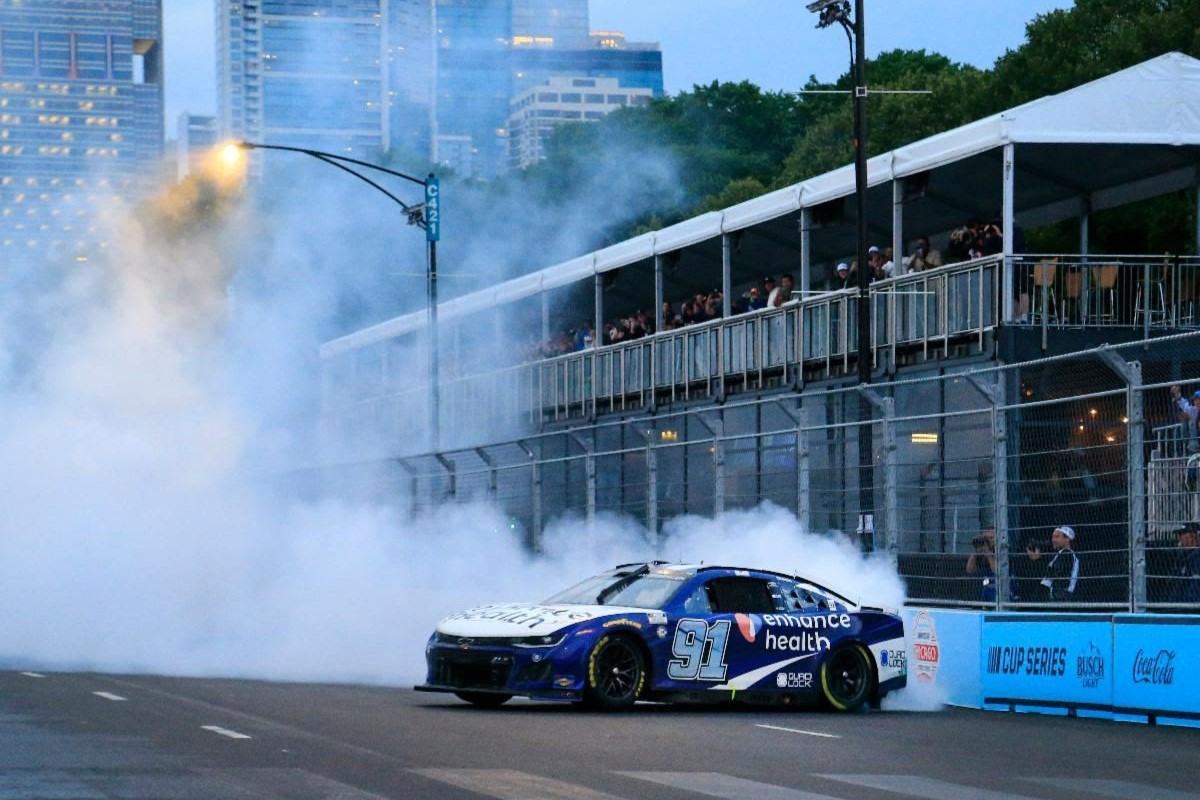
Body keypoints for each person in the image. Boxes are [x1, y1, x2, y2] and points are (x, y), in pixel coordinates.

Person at [1027, 525, 1080, 601]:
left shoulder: (1067, 554)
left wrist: (1039, 563)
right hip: (1053, 594)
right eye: (1053, 537)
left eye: (1057, 537)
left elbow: (1059, 577)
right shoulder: (1060, 554)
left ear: (1067, 539)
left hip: (1058, 595)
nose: (1053, 540)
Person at [966, 528, 997, 602]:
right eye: (986, 538)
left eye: (991, 538)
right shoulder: (981, 555)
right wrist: (976, 550)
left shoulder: (1001, 551)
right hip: (986, 587)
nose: (988, 541)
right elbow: (969, 570)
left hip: (1000, 587)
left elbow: (996, 570)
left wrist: (988, 551)